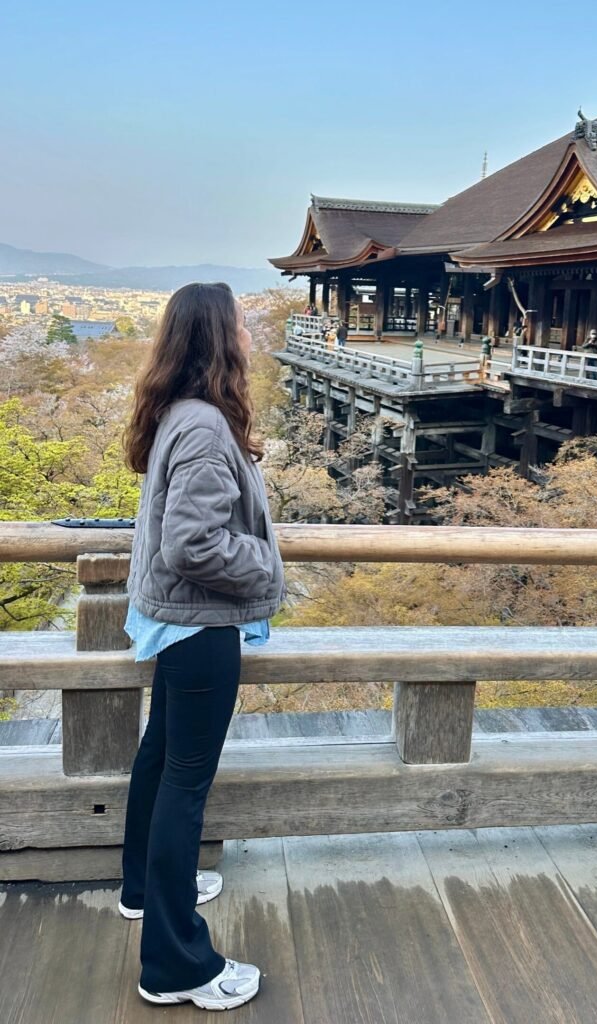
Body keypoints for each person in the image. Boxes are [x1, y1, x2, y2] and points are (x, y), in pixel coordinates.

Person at [120, 282, 286, 1012]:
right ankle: (176, 965)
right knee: (185, 785)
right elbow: (193, 543)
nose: (251, 336)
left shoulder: (177, 416)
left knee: (160, 760)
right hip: (198, 627)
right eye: (244, 326)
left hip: (172, 621)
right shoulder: (206, 428)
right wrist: (268, 566)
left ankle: (141, 888)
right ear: (222, 338)